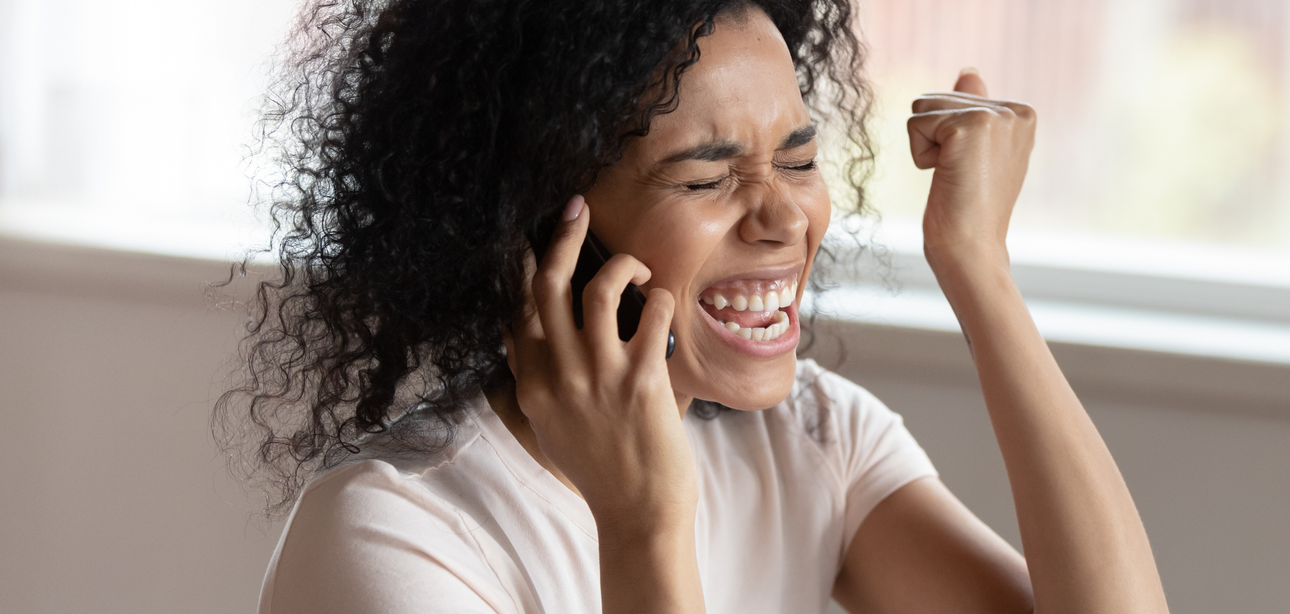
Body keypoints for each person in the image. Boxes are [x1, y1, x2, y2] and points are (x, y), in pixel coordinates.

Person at [220, 0, 1170, 612]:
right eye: (707, 178)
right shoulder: (393, 538)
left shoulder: (812, 444)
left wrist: (978, 269)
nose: (783, 216)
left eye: (797, 160)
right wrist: (645, 528)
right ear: (549, 229)